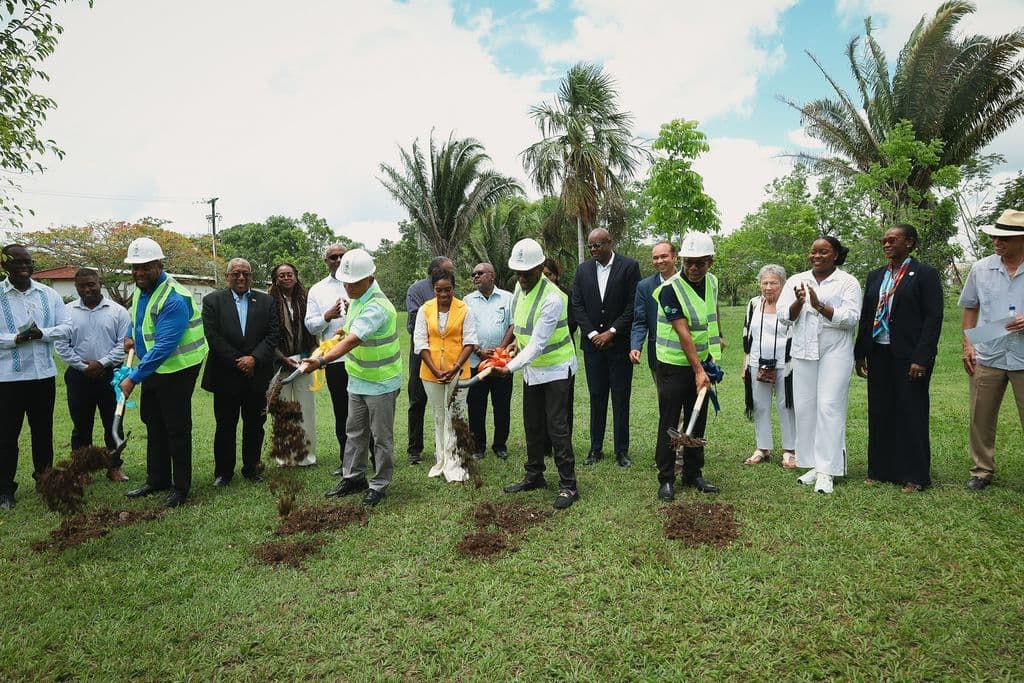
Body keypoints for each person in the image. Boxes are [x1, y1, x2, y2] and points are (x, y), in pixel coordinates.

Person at [301, 249, 402, 508]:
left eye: (353, 283)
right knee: (355, 431)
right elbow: (350, 329)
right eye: (345, 282)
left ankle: (379, 484)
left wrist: (321, 361)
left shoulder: (377, 306)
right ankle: (354, 477)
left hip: (380, 382)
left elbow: (355, 339)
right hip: (357, 379)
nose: (347, 287)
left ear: (370, 278)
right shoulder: (358, 298)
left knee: (381, 437)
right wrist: (342, 330)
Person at [120, 237, 208, 508]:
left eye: (145, 267)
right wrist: (128, 335)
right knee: (152, 421)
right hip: (153, 369)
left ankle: (181, 487)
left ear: (159, 265)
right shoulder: (141, 290)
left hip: (178, 368)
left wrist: (133, 377)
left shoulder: (174, 297)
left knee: (176, 428)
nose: (139, 273)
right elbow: (139, 320)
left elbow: (166, 346)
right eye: (134, 268)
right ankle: (156, 478)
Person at [854, 225, 943, 492]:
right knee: (880, 411)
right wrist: (861, 353)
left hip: (909, 355)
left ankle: (914, 475)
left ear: (910, 242)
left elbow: (933, 318)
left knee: (911, 412)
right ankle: (880, 470)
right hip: (879, 352)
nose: (886, 244)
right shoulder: (876, 276)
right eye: (884, 240)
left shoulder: (924, 274)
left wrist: (922, 358)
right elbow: (867, 316)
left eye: (893, 240)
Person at [492, 238, 579, 510]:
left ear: (541, 267)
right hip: (532, 370)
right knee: (532, 423)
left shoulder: (553, 298)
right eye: (518, 273)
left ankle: (568, 485)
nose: (522, 278)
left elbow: (539, 344)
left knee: (557, 427)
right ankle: (534, 475)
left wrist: (509, 367)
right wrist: (511, 345)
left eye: (527, 273)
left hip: (556, 368)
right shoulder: (520, 288)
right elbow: (521, 325)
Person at [776, 236, 862, 495]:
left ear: (835, 254)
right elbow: (783, 317)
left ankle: (828, 471)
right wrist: (800, 303)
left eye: (823, 252)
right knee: (806, 409)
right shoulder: (796, 280)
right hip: (804, 351)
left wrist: (819, 305)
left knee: (829, 406)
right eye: (813, 252)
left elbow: (851, 318)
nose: (816, 256)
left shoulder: (848, 282)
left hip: (835, 351)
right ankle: (814, 464)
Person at [0, 244, 72, 510]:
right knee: (7, 436)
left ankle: (44, 482)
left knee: (43, 433)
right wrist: (13, 339)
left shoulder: (48, 294)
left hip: (42, 376)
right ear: (4, 265)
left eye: (28, 262)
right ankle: (5, 490)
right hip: (7, 378)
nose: (24, 267)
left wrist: (42, 333)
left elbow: (67, 326)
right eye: (17, 263)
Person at [653, 233, 722, 501]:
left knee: (698, 421)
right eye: (688, 262)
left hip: (703, 364)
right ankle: (666, 478)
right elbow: (683, 333)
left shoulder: (712, 283)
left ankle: (693, 473)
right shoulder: (669, 290)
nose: (693, 268)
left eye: (699, 263)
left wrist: (711, 359)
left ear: (710, 262)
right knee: (669, 422)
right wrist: (698, 370)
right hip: (673, 365)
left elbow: (710, 320)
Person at [959, 208, 1024, 491]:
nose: (996, 242)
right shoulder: (981, 268)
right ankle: (982, 470)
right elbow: (970, 306)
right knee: (980, 416)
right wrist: (968, 344)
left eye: (1004, 238)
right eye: (995, 236)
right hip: (989, 352)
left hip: (1022, 356)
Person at [201, 258, 280, 487]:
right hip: (226, 375)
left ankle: (251, 468)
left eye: (246, 273)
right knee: (225, 426)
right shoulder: (212, 301)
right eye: (236, 273)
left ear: (251, 276)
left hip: (257, 375)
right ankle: (224, 473)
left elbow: (273, 334)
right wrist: (239, 361)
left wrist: (254, 358)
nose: (241, 277)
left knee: (255, 425)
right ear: (227, 277)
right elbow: (212, 336)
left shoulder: (265, 301)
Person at [54, 267, 132, 481]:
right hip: (79, 377)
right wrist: (82, 366)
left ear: (100, 284)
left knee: (113, 423)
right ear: (76, 287)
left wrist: (101, 363)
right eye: (82, 285)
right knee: (81, 426)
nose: (87, 289)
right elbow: (61, 344)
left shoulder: (118, 312)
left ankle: (114, 467)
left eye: (92, 284)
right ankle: (81, 470)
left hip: (111, 376)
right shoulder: (66, 312)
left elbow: (123, 345)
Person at [571, 228, 641, 467]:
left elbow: (633, 304)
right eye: (590, 246)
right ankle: (595, 448)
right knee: (597, 397)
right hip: (593, 348)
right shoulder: (583, 270)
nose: (593, 250)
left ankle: (622, 451)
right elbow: (577, 305)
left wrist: (612, 332)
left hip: (619, 345)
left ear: (610, 243)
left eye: (597, 245)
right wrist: (592, 334)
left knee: (621, 398)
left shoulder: (629, 267)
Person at [414, 270, 478, 481]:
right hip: (431, 372)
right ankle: (441, 459)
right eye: (439, 290)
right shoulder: (425, 309)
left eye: (448, 289)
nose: (443, 294)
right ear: (433, 289)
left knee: (456, 415)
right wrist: (435, 369)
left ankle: (457, 463)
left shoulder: (464, 309)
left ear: (453, 288)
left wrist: (455, 367)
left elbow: (469, 341)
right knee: (439, 416)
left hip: (459, 372)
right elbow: (420, 342)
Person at [741, 264, 796, 468]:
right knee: (759, 404)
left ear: (783, 284)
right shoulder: (754, 304)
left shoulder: (790, 305)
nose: (769, 287)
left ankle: (790, 450)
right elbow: (748, 334)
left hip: (785, 363)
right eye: (765, 282)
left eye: (774, 282)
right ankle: (762, 448)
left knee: (786, 405)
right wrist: (746, 362)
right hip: (758, 361)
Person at [305, 244, 351, 475]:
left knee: (366, 410)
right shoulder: (318, 290)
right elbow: (310, 324)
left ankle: (372, 457)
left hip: (362, 357)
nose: (338, 260)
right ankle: (346, 460)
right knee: (342, 412)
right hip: (334, 361)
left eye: (342, 256)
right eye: (333, 257)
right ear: (326, 261)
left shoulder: (363, 282)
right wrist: (327, 316)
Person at [405, 256, 454, 465]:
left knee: (447, 402)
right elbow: (415, 320)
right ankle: (414, 449)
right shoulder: (416, 289)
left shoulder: (449, 287)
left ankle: (445, 448)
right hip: (421, 352)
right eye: (447, 269)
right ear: (434, 271)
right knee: (417, 400)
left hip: (448, 353)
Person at [268, 262, 318, 466]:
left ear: (296, 276)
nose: (286, 278)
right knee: (283, 410)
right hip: (279, 364)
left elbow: (313, 329)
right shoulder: (267, 301)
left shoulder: (305, 299)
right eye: (282, 275)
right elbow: (266, 334)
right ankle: (285, 456)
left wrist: (313, 355)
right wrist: (281, 357)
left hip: (304, 362)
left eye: (290, 274)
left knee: (306, 409)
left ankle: (306, 456)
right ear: (275, 279)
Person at [464, 262, 513, 461]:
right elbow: (465, 330)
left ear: (491, 276)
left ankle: (500, 445)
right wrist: (479, 350)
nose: (475, 276)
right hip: (477, 362)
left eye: (480, 273)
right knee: (476, 406)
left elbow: (513, 325)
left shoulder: (507, 298)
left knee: (502, 406)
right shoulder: (467, 300)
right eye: (473, 274)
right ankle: (478, 447)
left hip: (501, 364)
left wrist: (500, 350)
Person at [630, 240, 678, 380]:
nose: (659, 261)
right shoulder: (644, 287)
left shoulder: (687, 282)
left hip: (687, 356)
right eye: (655, 258)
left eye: (664, 256)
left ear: (674, 257)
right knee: (665, 401)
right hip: (658, 357)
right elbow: (640, 321)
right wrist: (636, 346)